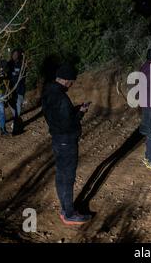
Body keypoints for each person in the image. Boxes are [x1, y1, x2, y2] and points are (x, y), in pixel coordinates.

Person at [42, 64, 92, 225]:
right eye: (71, 82)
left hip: (57, 139)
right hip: (66, 140)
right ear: (64, 80)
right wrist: (81, 113)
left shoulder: (48, 91)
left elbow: (59, 115)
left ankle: (65, 209)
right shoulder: (61, 98)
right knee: (67, 177)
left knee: (61, 175)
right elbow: (68, 122)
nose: (71, 85)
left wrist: (75, 109)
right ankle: (69, 213)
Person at [7, 49, 26, 135]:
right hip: (11, 90)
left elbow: (23, 76)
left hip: (20, 89)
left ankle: (17, 126)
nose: (15, 55)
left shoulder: (22, 64)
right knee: (11, 105)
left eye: (16, 54)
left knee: (18, 107)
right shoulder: (9, 64)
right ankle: (18, 122)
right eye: (13, 54)